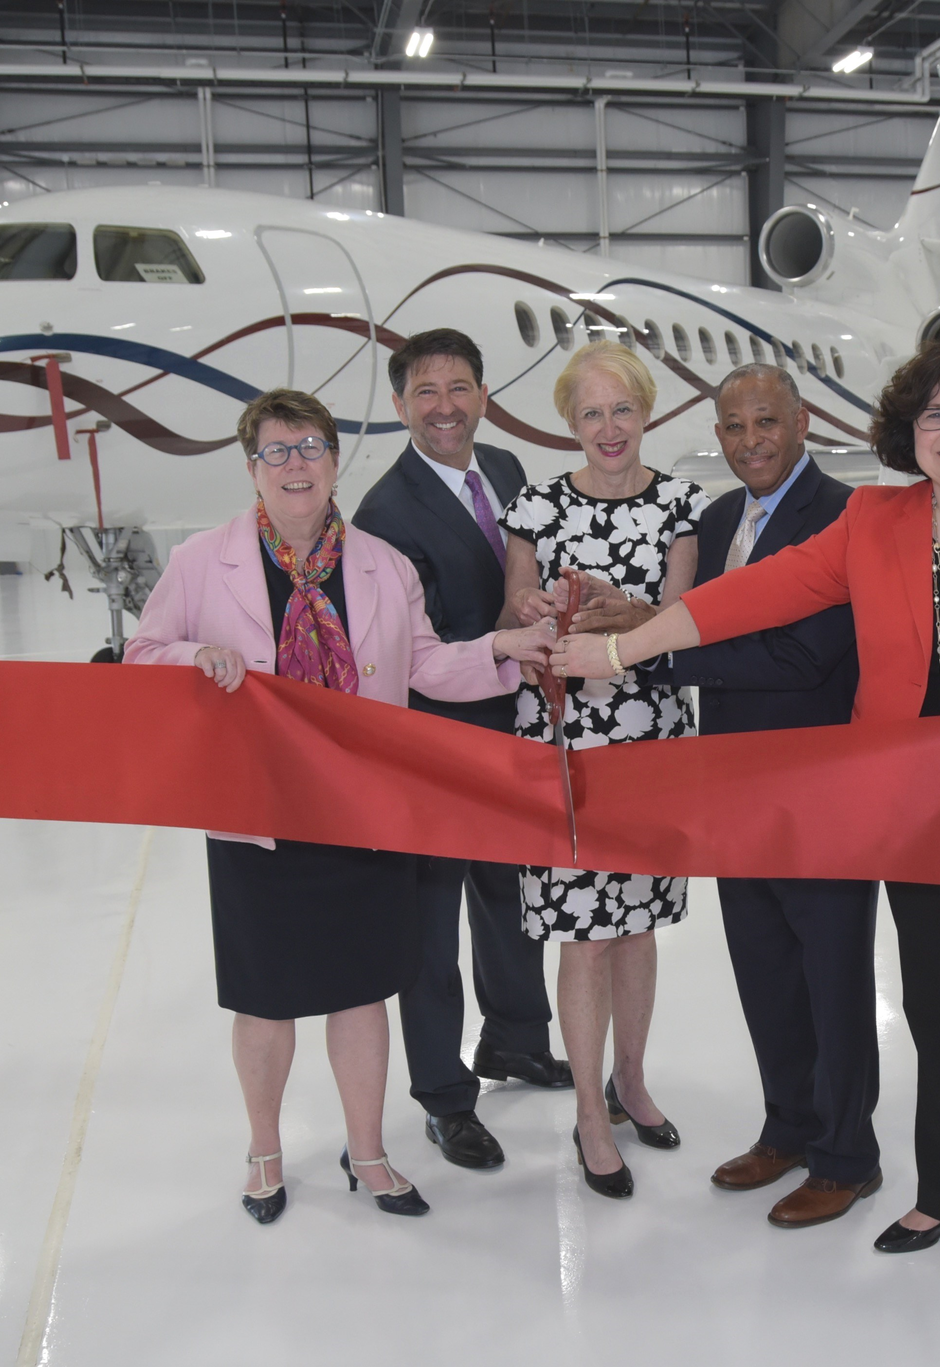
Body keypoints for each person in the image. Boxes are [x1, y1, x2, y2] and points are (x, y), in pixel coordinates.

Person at [550, 341, 940, 1286]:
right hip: (914, 809)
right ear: (907, 434)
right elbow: (743, 597)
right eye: (933, 417)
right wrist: (627, 648)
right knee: (939, 1007)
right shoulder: (875, 521)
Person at [125, 388, 555, 1224]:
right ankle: (264, 1152)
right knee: (265, 996)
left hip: (359, 812)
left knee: (362, 991)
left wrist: (501, 648)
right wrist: (192, 654)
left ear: (333, 461)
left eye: (311, 447)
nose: (296, 464)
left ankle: (369, 1152)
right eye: (277, 451)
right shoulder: (199, 561)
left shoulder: (381, 565)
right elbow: (142, 653)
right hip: (260, 817)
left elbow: (427, 666)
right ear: (252, 467)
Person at [578, 363, 878, 1228]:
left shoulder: (845, 515)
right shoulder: (715, 520)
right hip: (735, 785)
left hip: (820, 784)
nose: (750, 441)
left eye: (765, 423)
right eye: (733, 427)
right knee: (765, 966)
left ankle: (847, 1153)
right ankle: (787, 1124)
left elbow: (802, 654)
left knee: (833, 973)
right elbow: (701, 618)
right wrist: (628, 615)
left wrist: (648, 652)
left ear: (804, 421)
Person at [352, 328, 572, 1175]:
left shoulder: (509, 473)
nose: (445, 407)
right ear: (402, 405)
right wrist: (512, 641)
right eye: (426, 392)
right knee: (431, 930)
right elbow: (418, 651)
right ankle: (444, 1096)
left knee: (513, 898)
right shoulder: (384, 515)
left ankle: (515, 1040)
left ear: (484, 394)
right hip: (438, 745)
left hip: (512, 732)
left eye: (460, 388)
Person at [500, 340, 708, 1200]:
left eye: (622, 409)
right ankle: (590, 1110)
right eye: (591, 413)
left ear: (647, 411)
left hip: (649, 736)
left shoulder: (684, 504)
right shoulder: (535, 506)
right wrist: (539, 609)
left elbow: (683, 619)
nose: (609, 428)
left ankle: (631, 1078)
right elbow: (512, 614)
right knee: (583, 932)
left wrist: (635, 620)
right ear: (569, 422)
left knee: (637, 923)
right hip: (562, 739)